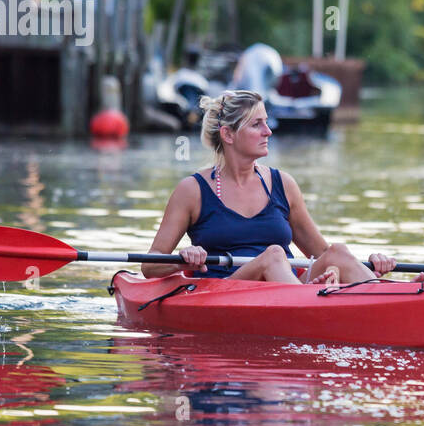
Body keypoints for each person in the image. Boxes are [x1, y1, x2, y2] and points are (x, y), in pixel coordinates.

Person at [141, 89, 397, 284]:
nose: (268, 131)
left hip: (285, 288)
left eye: (266, 121)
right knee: (274, 255)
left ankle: (390, 297)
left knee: (339, 253)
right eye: (257, 124)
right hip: (226, 292)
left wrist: (372, 265)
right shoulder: (192, 190)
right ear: (228, 135)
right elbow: (149, 266)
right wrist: (185, 259)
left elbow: (322, 254)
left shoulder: (283, 184)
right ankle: (309, 305)